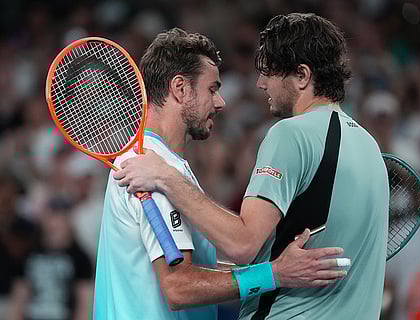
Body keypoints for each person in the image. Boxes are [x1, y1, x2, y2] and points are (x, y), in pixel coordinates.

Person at [115, 13, 389, 320]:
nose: (260, 84)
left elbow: (242, 244)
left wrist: (165, 177)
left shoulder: (291, 134)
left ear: (301, 76)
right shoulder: (369, 145)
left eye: (269, 73)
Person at [8, 197, 93, 320]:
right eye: (52, 215)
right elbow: (19, 297)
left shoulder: (80, 258)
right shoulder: (28, 254)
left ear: (69, 219)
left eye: (60, 215)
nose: (55, 221)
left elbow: (83, 302)